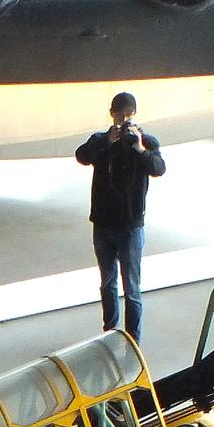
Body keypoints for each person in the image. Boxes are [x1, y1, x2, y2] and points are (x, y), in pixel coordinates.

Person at [76, 91, 166, 340]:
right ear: (112, 114)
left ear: (134, 115)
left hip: (131, 225)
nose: (123, 120)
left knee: (132, 288)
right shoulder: (101, 140)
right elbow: (81, 156)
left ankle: (133, 339)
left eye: (128, 116)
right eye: (119, 115)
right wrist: (106, 141)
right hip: (103, 224)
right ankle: (109, 331)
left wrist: (139, 148)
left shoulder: (146, 141)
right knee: (108, 283)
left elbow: (159, 169)